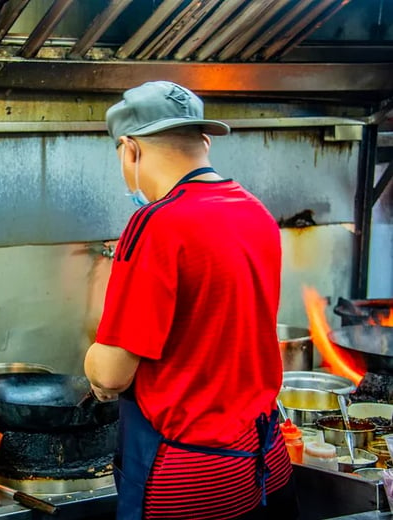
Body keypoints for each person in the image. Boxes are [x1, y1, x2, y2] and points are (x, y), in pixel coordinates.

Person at [84, 81, 299, 520]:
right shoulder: (255, 212)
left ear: (130, 150)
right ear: (203, 141)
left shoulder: (155, 224)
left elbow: (111, 375)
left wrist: (93, 362)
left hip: (188, 483)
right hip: (266, 465)